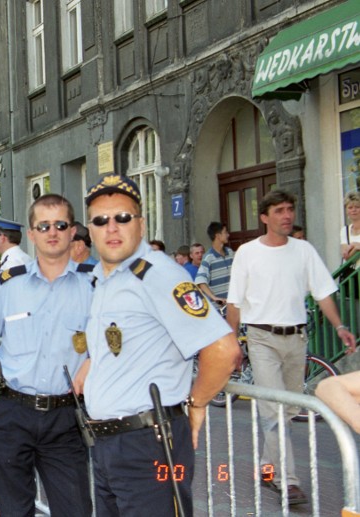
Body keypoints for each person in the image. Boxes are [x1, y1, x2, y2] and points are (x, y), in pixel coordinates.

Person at [79, 174, 239, 517]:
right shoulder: (104, 280)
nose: (111, 228)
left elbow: (224, 350)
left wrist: (196, 404)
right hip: (110, 444)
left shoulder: (158, 274)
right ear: (89, 229)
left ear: (141, 224)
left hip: (147, 444)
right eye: (100, 220)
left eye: (122, 218)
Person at [0, 194, 94, 517]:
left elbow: (116, 340)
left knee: (76, 511)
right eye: (43, 225)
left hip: (65, 418)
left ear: (73, 231)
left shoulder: (92, 286)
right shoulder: (10, 285)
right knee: (14, 511)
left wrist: (94, 360)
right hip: (11, 414)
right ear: (32, 234)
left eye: (60, 225)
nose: (53, 231)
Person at [226, 189, 357, 506]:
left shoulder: (303, 250)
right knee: (273, 409)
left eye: (290, 210)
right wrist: (232, 343)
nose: (287, 216)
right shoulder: (247, 252)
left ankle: (267, 469)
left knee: (289, 410)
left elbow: (324, 292)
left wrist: (340, 326)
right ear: (265, 217)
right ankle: (289, 482)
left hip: (297, 338)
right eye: (280, 210)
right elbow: (234, 302)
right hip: (261, 338)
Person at [195, 221, 234, 306]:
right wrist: (213, 297)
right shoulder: (208, 258)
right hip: (219, 309)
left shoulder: (230, 253)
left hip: (232, 307)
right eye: (225, 232)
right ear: (218, 236)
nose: (228, 235)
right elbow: (200, 281)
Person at [340, 191, 360, 262]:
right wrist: (356, 247)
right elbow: (346, 256)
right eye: (350, 207)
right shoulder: (344, 230)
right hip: (351, 271)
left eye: (357, 207)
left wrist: (352, 247)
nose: (353, 210)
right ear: (346, 211)